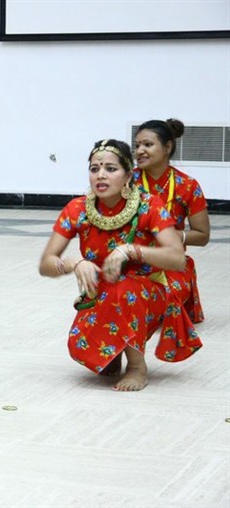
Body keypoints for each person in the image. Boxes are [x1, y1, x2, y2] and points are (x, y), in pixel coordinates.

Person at [39, 139, 202, 392]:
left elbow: (176, 257)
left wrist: (132, 250)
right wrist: (74, 262)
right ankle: (115, 348)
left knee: (124, 289)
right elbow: (46, 264)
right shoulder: (78, 208)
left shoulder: (148, 205)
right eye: (95, 169)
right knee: (83, 350)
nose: (101, 175)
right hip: (101, 291)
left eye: (110, 169)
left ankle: (137, 367)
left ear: (128, 175)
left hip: (149, 291)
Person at [132, 118, 210, 323]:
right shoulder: (126, 182)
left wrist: (174, 235)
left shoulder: (187, 185)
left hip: (170, 264)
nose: (140, 150)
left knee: (166, 298)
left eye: (147, 145)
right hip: (132, 262)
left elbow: (202, 236)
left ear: (167, 147)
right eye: (137, 145)